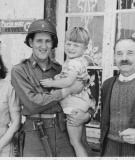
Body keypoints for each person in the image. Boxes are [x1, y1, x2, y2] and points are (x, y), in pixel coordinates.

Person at [11, 19, 92, 157]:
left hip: (64, 131)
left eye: (48, 41)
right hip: (35, 133)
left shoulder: (62, 69)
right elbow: (33, 103)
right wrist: (67, 90)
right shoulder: (20, 70)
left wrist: (88, 115)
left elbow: (87, 94)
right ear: (31, 43)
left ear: (53, 44)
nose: (44, 46)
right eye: (39, 41)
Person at [40, 27, 96, 157]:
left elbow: (68, 82)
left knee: (75, 142)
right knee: (80, 140)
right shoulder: (76, 61)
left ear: (85, 48)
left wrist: (51, 83)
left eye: (76, 45)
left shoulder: (74, 63)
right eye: (68, 44)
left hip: (74, 106)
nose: (71, 48)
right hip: (79, 102)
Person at [100, 37, 135, 157]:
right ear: (115, 57)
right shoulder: (107, 84)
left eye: (130, 53)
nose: (124, 58)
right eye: (119, 54)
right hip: (109, 150)